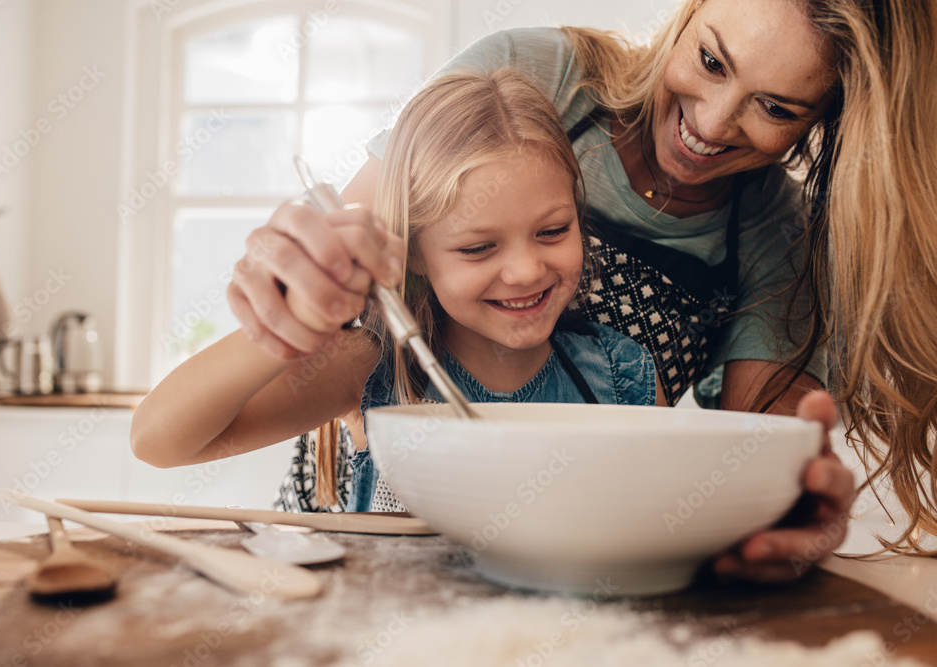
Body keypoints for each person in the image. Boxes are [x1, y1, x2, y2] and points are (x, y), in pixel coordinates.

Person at [227, 0, 937, 576]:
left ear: (826, 122)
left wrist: (779, 509)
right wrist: (300, 279)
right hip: (359, 513)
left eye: (777, 108)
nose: (712, 125)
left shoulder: (780, 240)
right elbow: (357, 261)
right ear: (687, 15)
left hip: (567, 566)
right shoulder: (537, 76)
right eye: (711, 60)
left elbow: (750, 462)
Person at [132, 69, 667, 514]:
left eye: (552, 231)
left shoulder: (624, 377)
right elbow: (158, 442)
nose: (526, 271)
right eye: (479, 248)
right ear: (413, 251)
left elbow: (663, 520)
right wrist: (293, 327)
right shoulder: (373, 369)